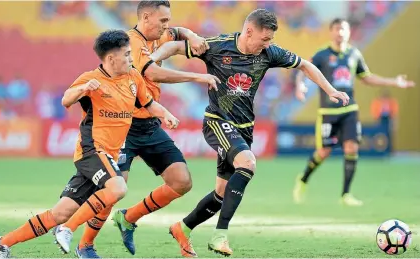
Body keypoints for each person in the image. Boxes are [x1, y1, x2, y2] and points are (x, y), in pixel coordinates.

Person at [146, 9, 349, 257]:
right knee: (248, 164)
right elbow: (176, 47)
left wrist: (329, 91)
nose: (269, 44)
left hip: (244, 128)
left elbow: (305, 65)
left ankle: (183, 227)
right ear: (249, 31)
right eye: (265, 39)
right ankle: (220, 234)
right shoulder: (217, 46)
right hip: (218, 121)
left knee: (221, 194)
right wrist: (152, 59)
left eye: (271, 40)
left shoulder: (268, 53)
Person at [0, 29, 179, 258]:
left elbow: (148, 104)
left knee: (60, 212)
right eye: (127, 54)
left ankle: (1, 243)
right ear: (111, 58)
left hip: (108, 156)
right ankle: (68, 229)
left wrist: (165, 113)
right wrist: (83, 90)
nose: (131, 58)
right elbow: (66, 99)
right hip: (92, 151)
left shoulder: (133, 77)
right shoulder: (91, 79)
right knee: (118, 188)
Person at [75, 1, 220, 258]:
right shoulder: (130, 41)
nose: (167, 26)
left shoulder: (161, 34)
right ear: (145, 17)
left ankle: (129, 218)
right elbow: (151, 73)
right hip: (124, 125)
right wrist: (198, 77)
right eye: (163, 21)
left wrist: (193, 35)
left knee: (181, 181)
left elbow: (179, 31)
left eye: (168, 20)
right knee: (114, 189)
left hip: (149, 124)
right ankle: (85, 245)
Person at [293, 18, 415, 206]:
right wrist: (300, 85)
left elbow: (367, 78)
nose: (340, 32)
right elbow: (304, 69)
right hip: (328, 111)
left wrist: (394, 82)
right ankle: (303, 179)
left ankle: (346, 194)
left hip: (350, 110)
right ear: (331, 32)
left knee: (352, 148)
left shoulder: (354, 54)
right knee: (324, 152)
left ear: (349, 32)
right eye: (336, 29)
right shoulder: (322, 55)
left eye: (343, 29)